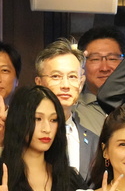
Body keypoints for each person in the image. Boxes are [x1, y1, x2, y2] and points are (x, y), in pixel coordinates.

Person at [33, 39, 98, 180]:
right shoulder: (27, 132)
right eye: (56, 76)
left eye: (72, 77)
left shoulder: (94, 141)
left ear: (81, 83)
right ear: (39, 83)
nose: (65, 85)